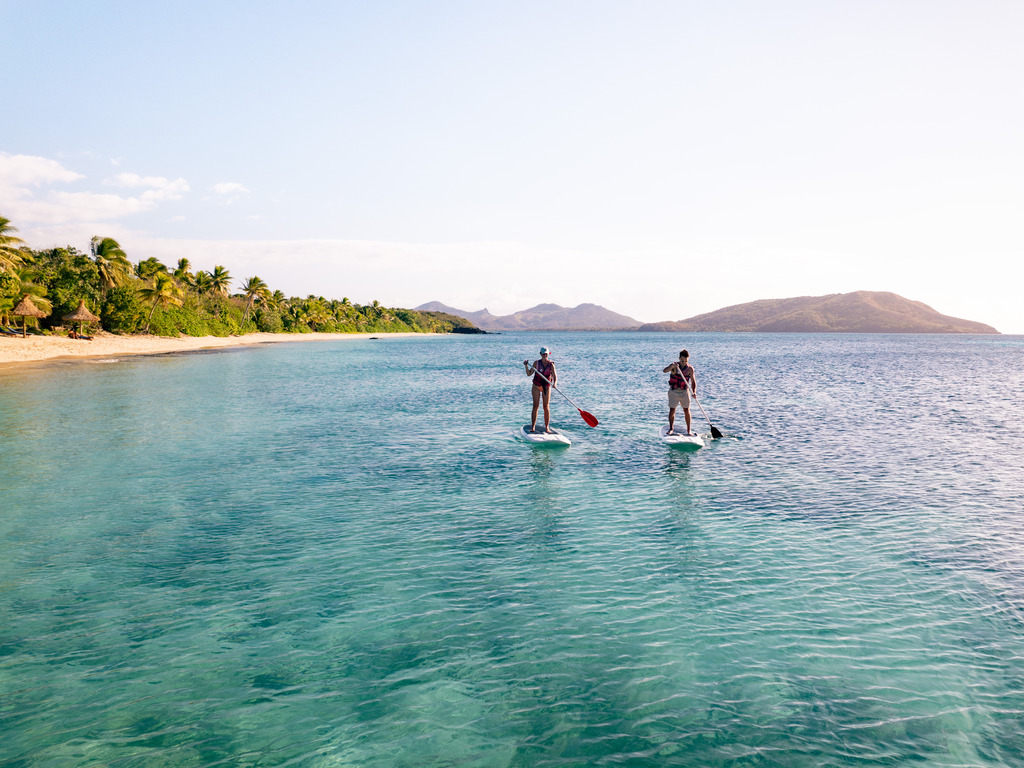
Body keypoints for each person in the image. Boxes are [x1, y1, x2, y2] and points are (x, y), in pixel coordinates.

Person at [523, 347, 557, 433]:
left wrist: (555, 383)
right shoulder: (536, 363)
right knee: (536, 406)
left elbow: (555, 376)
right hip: (536, 386)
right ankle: (533, 426)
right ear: (540, 354)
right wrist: (526, 366)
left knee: (546, 407)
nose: (544, 356)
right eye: (543, 354)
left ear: (548, 354)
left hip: (546, 386)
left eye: (546, 354)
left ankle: (547, 428)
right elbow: (529, 374)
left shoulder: (551, 364)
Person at [663, 349, 696, 435]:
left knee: (686, 410)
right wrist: (671, 367)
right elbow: (664, 370)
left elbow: (693, 381)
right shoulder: (674, 366)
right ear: (679, 358)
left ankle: (689, 430)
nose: (684, 362)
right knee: (672, 409)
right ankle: (671, 429)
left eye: (686, 361)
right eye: (682, 360)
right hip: (674, 391)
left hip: (684, 392)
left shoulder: (690, 369)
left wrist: (694, 392)